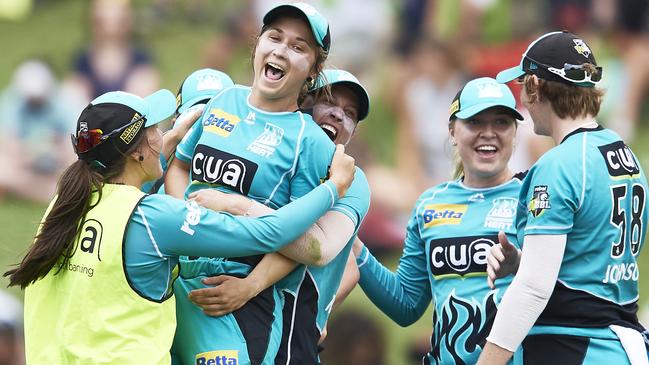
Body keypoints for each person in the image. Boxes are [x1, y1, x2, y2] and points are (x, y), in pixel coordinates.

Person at [3, 89, 355, 364]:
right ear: (135, 151)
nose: (163, 134)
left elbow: (122, 176)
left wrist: (162, 147)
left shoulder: (64, 205)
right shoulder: (153, 218)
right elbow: (269, 233)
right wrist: (331, 189)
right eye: (155, 129)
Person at [164, 4, 362, 365]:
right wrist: (185, 218)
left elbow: (300, 238)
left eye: (299, 47)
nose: (281, 50)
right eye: (274, 38)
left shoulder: (310, 141)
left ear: (313, 71)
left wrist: (248, 287)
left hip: (238, 299)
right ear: (257, 46)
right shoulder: (224, 100)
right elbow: (178, 165)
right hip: (177, 283)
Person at [478, 31, 649, 365]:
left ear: (536, 87)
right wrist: (521, 261)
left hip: (577, 347)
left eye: (522, 87)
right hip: (620, 345)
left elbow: (533, 288)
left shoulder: (559, 165)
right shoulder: (622, 150)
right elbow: (587, 252)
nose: (522, 103)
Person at [187, 68, 372, 364]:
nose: (338, 115)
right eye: (328, 101)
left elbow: (319, 249)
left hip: (293, 326)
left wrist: (234, 205)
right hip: (233, 305)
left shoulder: (353, 182)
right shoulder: (267, 155)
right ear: (303, 102)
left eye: (350, 113)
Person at [352, 77, 525, 365]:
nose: (489, 133)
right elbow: (406, 304)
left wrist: (519, 265)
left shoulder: (533, 197)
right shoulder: (430, 205)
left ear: (515, 132)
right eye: (475, 123)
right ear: (452, 131)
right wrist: (354, 247)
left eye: (501, 123)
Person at [141, 67, 235, 194]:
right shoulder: (160, 193)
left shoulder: (252, 190)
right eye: (195, 121)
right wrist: (173, 138)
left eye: (221, 123)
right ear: (176, 124)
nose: (204, 131)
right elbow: (124, 193)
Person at [0, 59, 76, 202]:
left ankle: (52, 191)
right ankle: (56, 192)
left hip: (57, 162)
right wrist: (33, 153)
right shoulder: (11, 102)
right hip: (25, 164)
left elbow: (73, 142)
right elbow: (9, 143)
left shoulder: (65, 102)